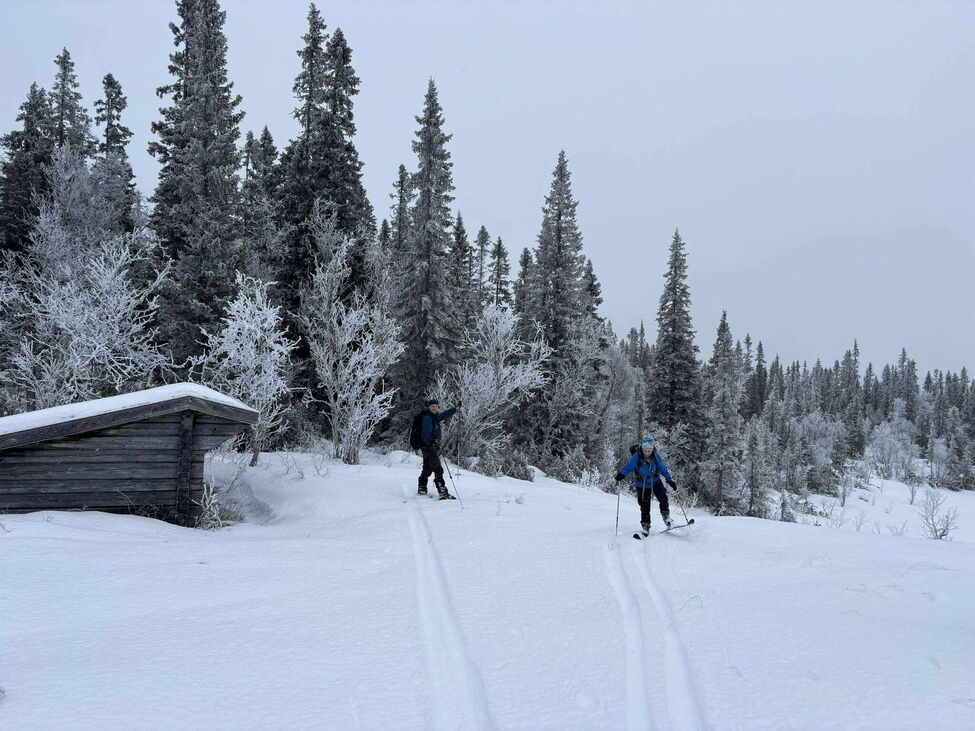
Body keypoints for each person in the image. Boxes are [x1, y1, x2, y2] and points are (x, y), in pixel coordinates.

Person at [615, 434, 676, 534]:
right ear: (642, 448)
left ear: (652, 449)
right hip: (642, 484)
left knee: (663, 498)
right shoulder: (637, 456)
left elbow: (663, 469)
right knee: (645, 505)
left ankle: (667, 519)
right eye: (645, 450)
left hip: (655, 480)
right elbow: (629, 466)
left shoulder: (656, 456)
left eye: (649, 450)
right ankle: (645, 526)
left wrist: (670, 480)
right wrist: (622, 474)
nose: (647, 452)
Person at [417, 398, 458, 499]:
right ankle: (442, 491)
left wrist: (455, 409)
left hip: (428, 447)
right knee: (438, 469)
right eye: (432, 406)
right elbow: (425, 433)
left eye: (436, 406)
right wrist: (432, 443)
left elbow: (444, 415)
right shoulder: (427, 417)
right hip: (428, 447)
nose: (434, 408)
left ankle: (422, 487)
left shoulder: (434, 416)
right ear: (429, 407)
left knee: (427, 468)